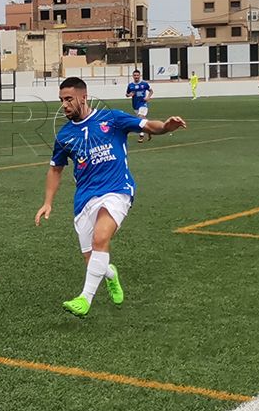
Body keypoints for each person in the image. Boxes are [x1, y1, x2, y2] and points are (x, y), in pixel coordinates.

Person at [35, 77, 187, 317]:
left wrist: (166, 126)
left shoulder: (112, 119)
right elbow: (56, 169)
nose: (64, 105)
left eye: (68, 99)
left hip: (117, 190)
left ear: (83, 97)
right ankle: (110, 274)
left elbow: (148, 126)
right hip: (85, 198)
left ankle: (84, 300)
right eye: (61, 100)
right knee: (92, 257)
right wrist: (47, 202)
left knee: (100, 238)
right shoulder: (64, 136)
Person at [124, 69, 153, 143]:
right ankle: (150, 129)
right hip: (135, 105)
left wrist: (148, 98)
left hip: (143, 104)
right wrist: (129, 95)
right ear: (133, 76)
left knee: (140, 117)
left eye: (137, 75)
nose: (136, 76)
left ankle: (141, 135)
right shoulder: (130, 85)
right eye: (135, 75)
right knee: (142, 119)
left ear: (140, 76)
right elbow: (127, 94)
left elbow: (151, 91)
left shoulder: (144, 84)